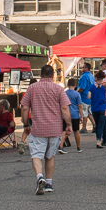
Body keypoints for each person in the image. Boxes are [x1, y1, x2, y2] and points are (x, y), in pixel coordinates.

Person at [20, 64, 70, 195]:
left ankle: (39, 177)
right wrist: (68, 124)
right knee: (50, 156)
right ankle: (49, 182)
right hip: (55, 128)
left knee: (36, 154)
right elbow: (65, 108)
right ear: (53, 75)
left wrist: (26, 124)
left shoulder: (32, 88)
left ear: (40, 75)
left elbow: (24, 107)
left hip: (38, 128)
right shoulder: (59, 89)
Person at [89, 66, 106, 147]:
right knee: (103, 123)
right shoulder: (105, 86)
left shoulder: (92, 86)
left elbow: (89, 96)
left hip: (94, 107)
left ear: (96, 78)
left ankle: (100, 139)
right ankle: (103, 140)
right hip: (103, 107)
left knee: (98, 124)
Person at [64, 78, 84, 152]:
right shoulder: (77, 94)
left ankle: (61, 145)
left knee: (64, 131)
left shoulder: (64, 93)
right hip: (75, 114)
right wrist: (81, 116)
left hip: (66, 114)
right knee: (76, 131)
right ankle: (78, 147)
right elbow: (80, 106)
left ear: (68, 84)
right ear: (75, 85)